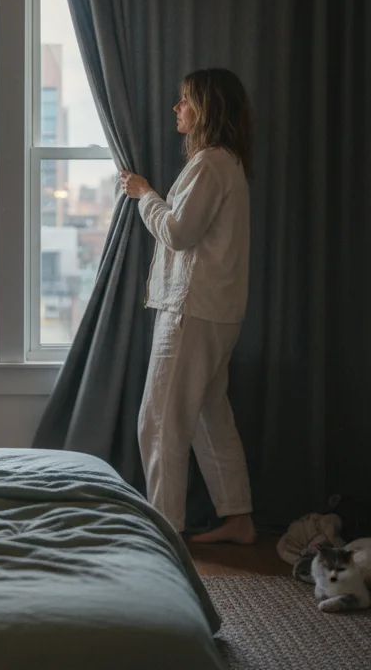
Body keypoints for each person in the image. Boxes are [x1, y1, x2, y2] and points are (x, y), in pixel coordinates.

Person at [118, 68, 256, 544]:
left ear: (206, 109)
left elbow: (178, 232)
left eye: (185, 101)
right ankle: (238, 517)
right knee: (208, 417)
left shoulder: (210, 163)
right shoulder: (227, 163)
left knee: (158, 421)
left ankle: (164, 531)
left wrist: (144, 194)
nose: (177, 108)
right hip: (217, 310)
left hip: (192, 310)